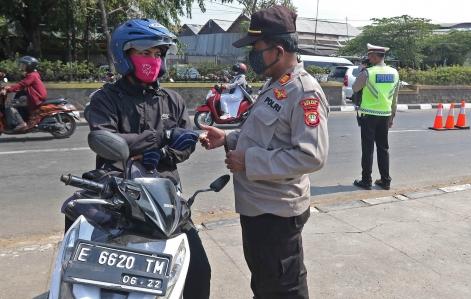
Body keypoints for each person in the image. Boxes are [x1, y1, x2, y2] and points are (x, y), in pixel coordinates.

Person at [72, 18, 209, 299]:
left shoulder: (173, 100)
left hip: (166, 199)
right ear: (124, 55)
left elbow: (184, 144)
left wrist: (161, 152)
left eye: (158, 54)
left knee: (198, 270)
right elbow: (104, 140)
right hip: (119, 197)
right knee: (93, 272)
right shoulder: (105, 99)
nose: (153, 60)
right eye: (145, 53)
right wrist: (160, 138)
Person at [199, 6, 329, 299]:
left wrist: (249, 160)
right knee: (265, 286)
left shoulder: (303, 92)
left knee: (284, 290)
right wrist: (230, 139)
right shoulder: (276, 83)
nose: (250, 56)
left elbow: (312, 155)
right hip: (259, 209)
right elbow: (265, 135)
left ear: (278, 51)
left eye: (255, 49)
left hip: (277, 214)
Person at [351, 43, 399, 191]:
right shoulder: (394, 73)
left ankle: (366, 180)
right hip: (385, 115)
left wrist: (363, 71)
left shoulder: (368, 73)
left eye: (370, 55)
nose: (368, 58)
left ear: (374, 56)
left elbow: (354, 88)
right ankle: (385, 180)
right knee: (383, 148)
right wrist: (392, 117)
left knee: (368, 149)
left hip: (369, 115)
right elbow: (395, 98)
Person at [0, 56, 47, 131]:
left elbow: (21, 85)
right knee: (19, 96)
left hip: (35, 98)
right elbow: (22, 84)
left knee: (9, 104)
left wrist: (7, 91)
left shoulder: (31, 75)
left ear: (29, 66)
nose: (22, 66)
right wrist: (10, 87)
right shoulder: (34, 74)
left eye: (24, 64)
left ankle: (21, 123)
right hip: (36, 96)